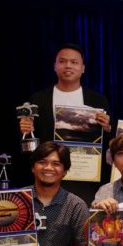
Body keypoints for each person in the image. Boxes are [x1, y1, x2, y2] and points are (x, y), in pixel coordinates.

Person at [18, 43, 113, 205]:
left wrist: (107, 128)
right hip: (49, 173)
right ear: (55, 66)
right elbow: (31, 142)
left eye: (74, 62)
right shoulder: (39, 99)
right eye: (62, 61)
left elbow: (109, 142)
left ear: (83, 68)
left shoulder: (97, 99)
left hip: (86, 174)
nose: (68, 65)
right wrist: (26, 131)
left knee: (82, 219)